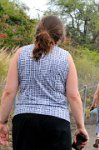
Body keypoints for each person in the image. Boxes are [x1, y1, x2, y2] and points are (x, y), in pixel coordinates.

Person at [0, 15, 88, 150]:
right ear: (60, 37)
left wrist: (2, 122)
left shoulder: (20, 53)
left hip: (25, 121)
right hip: (57, 123)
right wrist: (80, 127)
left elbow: (9, 92)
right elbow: (74, 96)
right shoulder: (66, 58)